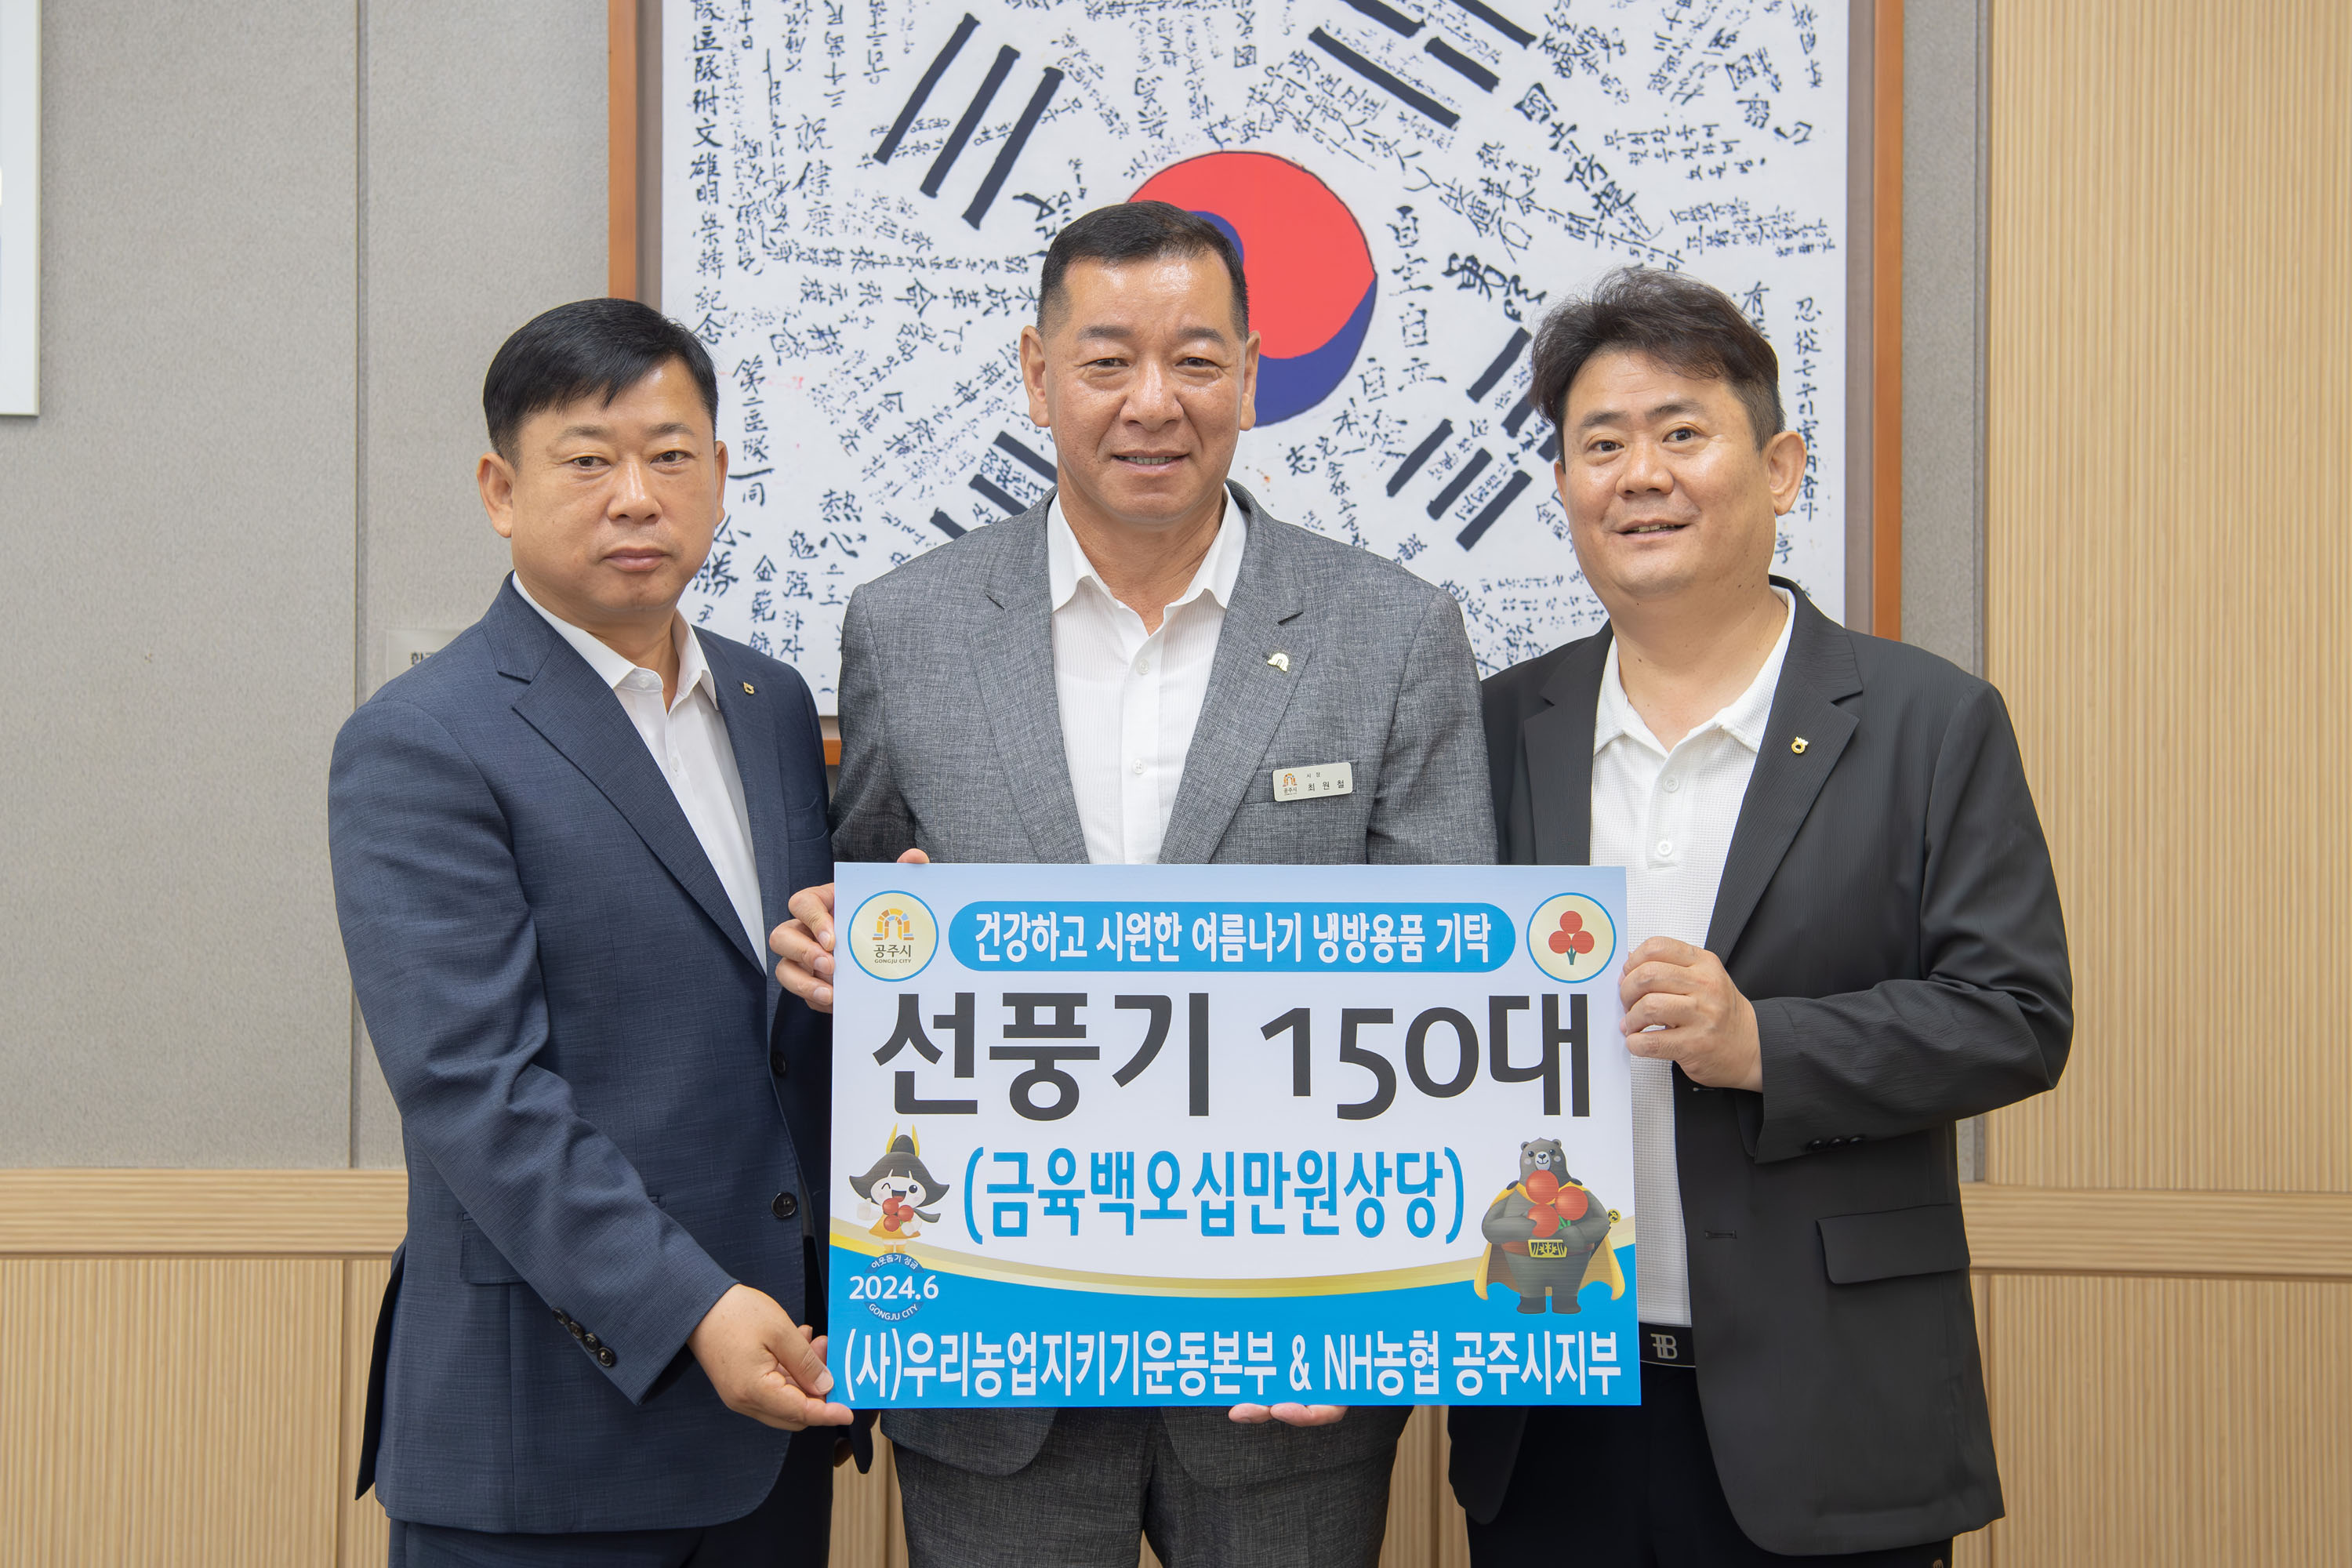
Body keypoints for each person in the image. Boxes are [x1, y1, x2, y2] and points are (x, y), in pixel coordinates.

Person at [768, 201, 1494, 1567]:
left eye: (1196, 360)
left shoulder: (1392, 632)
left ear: (1252, 375)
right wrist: (834, 951)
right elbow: (872, 929)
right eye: (1107, 362)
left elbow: (1449, 992)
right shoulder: (907, 629)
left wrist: (1373, 1315)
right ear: (1037, 373)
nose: (1153, 402)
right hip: (995, 1362)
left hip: (1290, 1364)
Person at [1447, 267, 2073, 1564]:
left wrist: (1763, 1046)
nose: (1641, 476)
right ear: (1563, 486)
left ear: (1780, 469)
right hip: (1551, 1402)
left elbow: (2017, 1017)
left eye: (1682, 433)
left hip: (1829, 1409)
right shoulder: (1497, 725)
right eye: (1601, 445)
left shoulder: (1928, 722)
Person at [329, 299, 854, 1566]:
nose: (635, 497)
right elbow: (474, 1091)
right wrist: (695, 1309)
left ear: (717, 477)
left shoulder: (772, 702)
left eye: (670, 457)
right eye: (587, 459)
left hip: (784, 1409)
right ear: (500, 490)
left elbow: (782, 1027)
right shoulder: (425, 737)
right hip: (547, 1436)